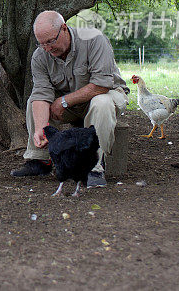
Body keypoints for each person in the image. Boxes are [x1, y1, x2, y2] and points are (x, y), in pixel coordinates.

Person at [10, 10, 129, 188]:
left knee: (101, 103)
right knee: (33, 102)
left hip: (105, 94)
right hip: (71, 103)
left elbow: (101, 85)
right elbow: (42, 93)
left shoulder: (95, 40)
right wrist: (42, 129)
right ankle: (40, 160)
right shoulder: (40, 55)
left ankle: (94, 168)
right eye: (42, 44)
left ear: (64, 28)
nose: (48, 48)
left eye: (51, 41)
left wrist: (64, 101)